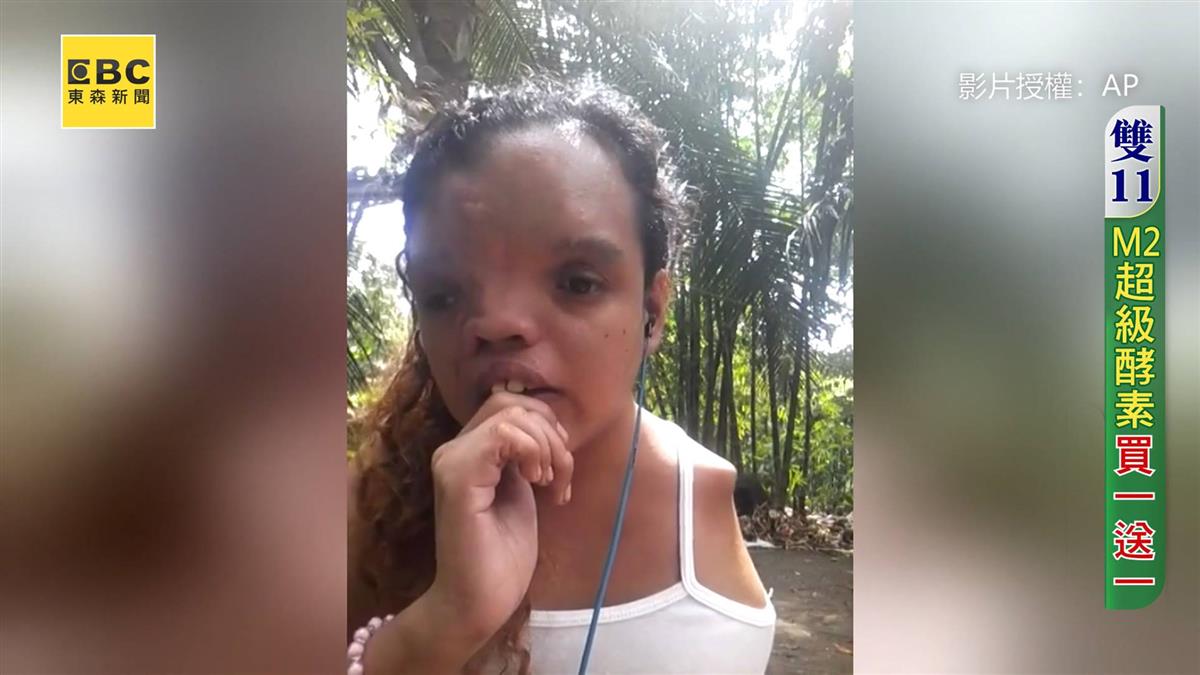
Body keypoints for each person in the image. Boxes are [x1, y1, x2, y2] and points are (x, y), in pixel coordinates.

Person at [348, 80, 775, 674]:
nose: (496, 323)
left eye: (577, 283)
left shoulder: (700, 500)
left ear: (651, 312)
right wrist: (446, 619)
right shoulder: (374, 508)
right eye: (443, 294)